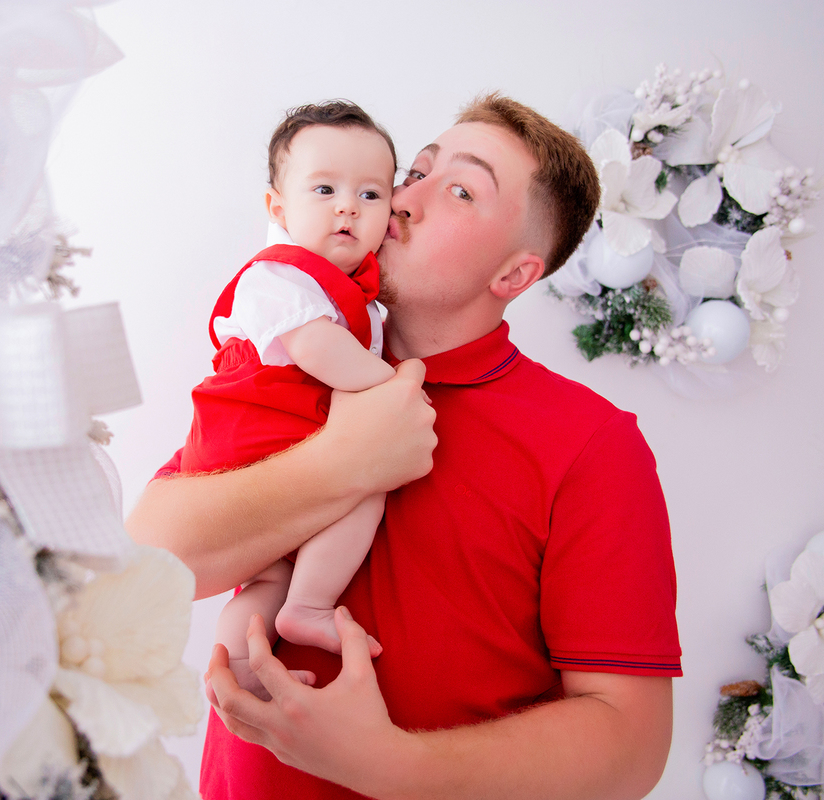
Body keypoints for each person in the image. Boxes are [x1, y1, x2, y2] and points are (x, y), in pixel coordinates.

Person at [127, 93, 682, 800]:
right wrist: (343, 462)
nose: (405, 200)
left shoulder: (592, 443)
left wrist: (388, 765)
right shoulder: (287, 359)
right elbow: (147, 560)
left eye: (459, 189)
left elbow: (631, 745)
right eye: (414, 170)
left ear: (514, 274)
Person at [183, 101, 399, 697]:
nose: (348, 207)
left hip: (280, 446)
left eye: (371, 194)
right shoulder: (280, 277)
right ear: (278, 207)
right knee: (366, 487)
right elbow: (317, 349)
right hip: (251, 441)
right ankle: (310, 604)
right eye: (324, 188)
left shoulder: (362, 297)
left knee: (263, 579)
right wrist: (394, 387)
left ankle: (240, 670)